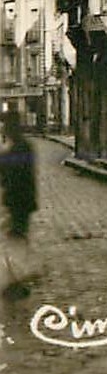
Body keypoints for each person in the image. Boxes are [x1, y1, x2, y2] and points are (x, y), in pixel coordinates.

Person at [0, 105, 38, 297]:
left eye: (6, 126)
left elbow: (9, 175)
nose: (4, 129)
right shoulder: (21, 146)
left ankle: (17, 282)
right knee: (17, 238)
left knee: (15, 239)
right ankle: (17, 280)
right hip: (20, 201)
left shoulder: (18, 148)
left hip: (18, 201)